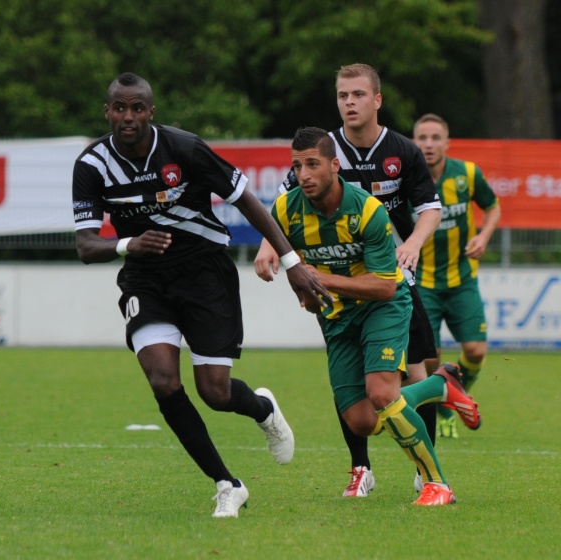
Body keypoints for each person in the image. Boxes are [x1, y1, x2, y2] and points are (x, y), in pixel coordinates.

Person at [72, 72, 332, 518]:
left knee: (214, 391)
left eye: (137, 108)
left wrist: (293, 265)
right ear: (108, 112)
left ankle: (263, 408)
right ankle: (227, 484)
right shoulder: (92, 165)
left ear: (151, 113)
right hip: (146, 278)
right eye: (119, 108)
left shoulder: (184, 149)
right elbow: (85, 245)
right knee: (162, 379)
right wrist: (127, 245)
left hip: (205, 273)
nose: (128, 117)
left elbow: (246, 199)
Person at [255, 63, 446, 496]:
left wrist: (413, 242)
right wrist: (270, 246)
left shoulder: (402, 151)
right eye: (343, 96)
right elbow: (282, 204)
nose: (350, 103)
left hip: (389, 279)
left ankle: (424, 464)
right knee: (357, 390)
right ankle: (361, 468)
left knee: (417, 373)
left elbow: (430, 207)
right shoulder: (320, 150)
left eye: (358, 95)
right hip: (339, 290)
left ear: (377, 100)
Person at [270, 126, 481, 505]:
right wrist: (304, 290)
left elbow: (385, 285)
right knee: (363, 422)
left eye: (313, 164)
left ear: (335, 166)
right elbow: (293, 265)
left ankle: (437, 485)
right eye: (297, 165)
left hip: (383, 306)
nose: (303, 174)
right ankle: (439, 385)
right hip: (338, 316)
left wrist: (320, 279)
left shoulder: (367, 209)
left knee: (383, 393)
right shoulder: (285, 209)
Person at [413, 113, 500, 438]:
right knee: (428, 362)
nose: (429, 144)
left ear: (447, 143)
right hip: (423, 282)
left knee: (476, 350)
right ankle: (440, 401)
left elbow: (493, 207)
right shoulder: (408, 181)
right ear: (414, 142)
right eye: (423, 138)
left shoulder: (466, 174)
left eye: (436, 138)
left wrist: (483, 236)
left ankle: (456, 394)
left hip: (462, 278)